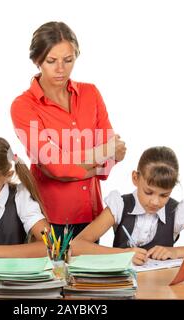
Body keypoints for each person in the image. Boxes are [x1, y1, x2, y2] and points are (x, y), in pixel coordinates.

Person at [11, 21, 126, 240]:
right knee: (53, 272)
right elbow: (54, 167)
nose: (60, 69)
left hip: (91, 214)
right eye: (51, 61)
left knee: (89, 274)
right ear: (37, 61)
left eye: (68, 60)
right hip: (50, 216)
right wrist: (100, 155)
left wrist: (67, 166)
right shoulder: (23, 106)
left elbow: (114, 153)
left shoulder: (91, 93)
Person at [71, 146, 184, 265]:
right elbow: (76, 246)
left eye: (164, 195)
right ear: (135, 178)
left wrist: (176, 251)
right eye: (148, 192)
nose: (155, 202)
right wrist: (122, 254)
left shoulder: (177, 212)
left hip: (161, 289)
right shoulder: (119, 206)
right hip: (123, 287)